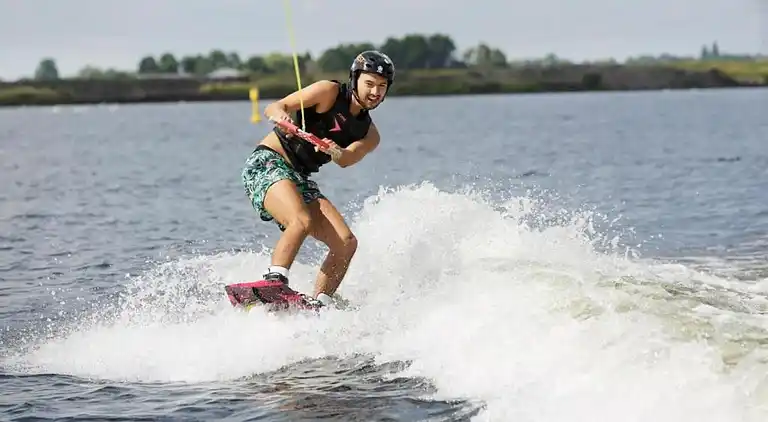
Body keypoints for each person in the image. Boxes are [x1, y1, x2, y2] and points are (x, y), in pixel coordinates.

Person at [241, 50, 395, 308]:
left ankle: (319, 305)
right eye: (369, 83)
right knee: (300, 220)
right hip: (268, 163)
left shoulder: (370, 134)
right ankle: (274, 281)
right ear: (355, 79)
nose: (375, 92)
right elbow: (275, 106)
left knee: (346, 243)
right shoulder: (329, 92)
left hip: (299, 178)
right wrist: (283, 116)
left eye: (382, 86)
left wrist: (335, 150)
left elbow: (347, 159)